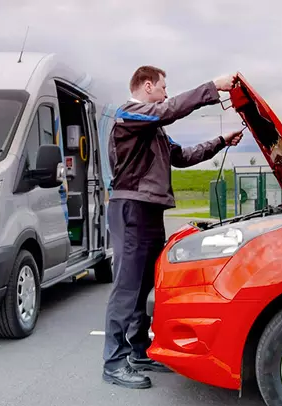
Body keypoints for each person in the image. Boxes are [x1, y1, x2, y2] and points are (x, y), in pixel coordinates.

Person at [102, 65, 244, 389]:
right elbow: (169, 110)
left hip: (150, 211)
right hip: (131, 209)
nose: (166, 93)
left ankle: (138, 351)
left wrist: (221, 141)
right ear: (148, 86)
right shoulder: (129, 115)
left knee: (143, 286)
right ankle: (113, 362)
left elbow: (182, 156)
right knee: (126, 287)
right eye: (163, 87)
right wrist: (212, 87)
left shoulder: (153, 130)